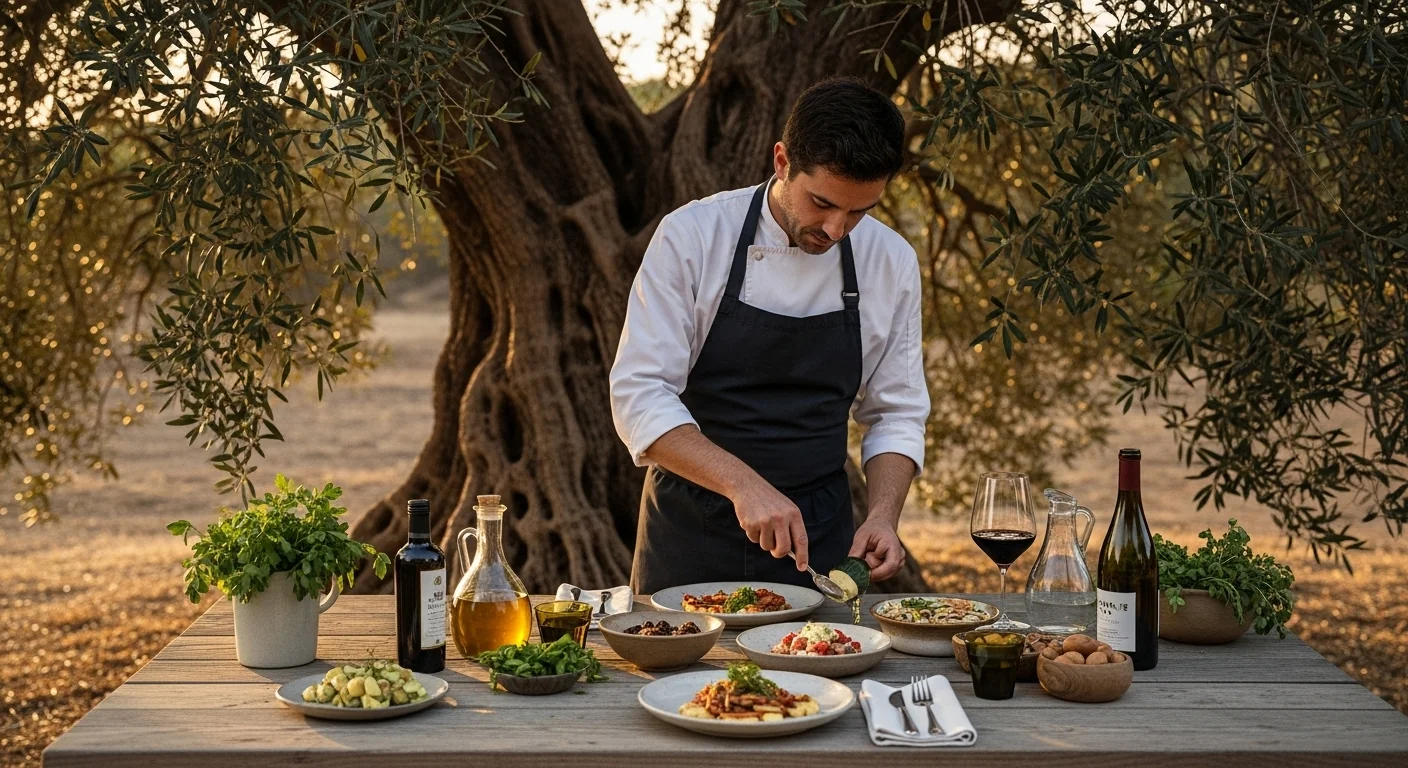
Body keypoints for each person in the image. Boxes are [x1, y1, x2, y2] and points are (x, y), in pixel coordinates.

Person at [610, 77, 930, 594]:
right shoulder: (692, 236)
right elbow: (638, 394)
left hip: (819, 543)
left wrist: (883, 516)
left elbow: (896, 411)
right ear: (782, 161)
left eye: (859, 211)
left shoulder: (889, 261)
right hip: (690, 533)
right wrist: (743, 485)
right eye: (822, 203)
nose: (835, 229)